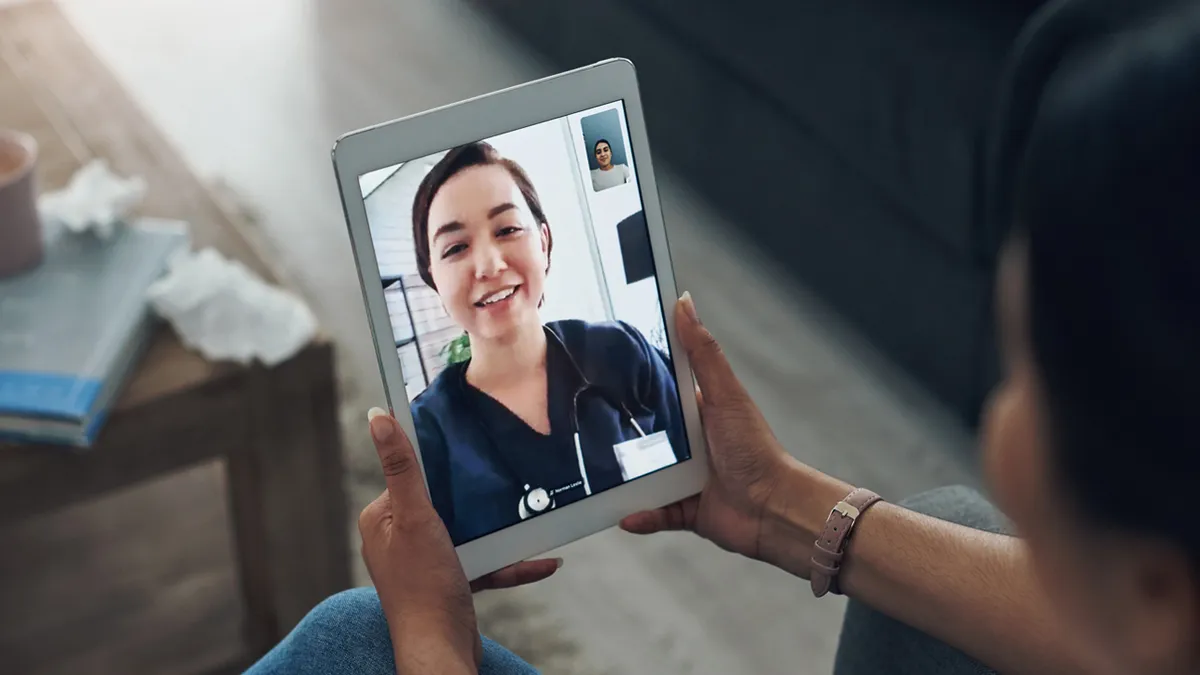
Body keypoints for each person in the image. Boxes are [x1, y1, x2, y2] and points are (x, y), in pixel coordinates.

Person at [246, 1, 1200, 673]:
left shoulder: (611, 349)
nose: (488, 262)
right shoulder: (439, 417)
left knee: (353, 639)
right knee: (947, 511)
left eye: (1026, 372)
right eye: (453, 244)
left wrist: (429, 641)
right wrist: (781, 501)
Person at [406, 141, 688, 546]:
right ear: (434, 280)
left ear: (543, 242)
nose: (489, 265)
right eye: (455, 248)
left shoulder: (621, 352)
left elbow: (698, 481)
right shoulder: (426, 433)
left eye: (506, 230)